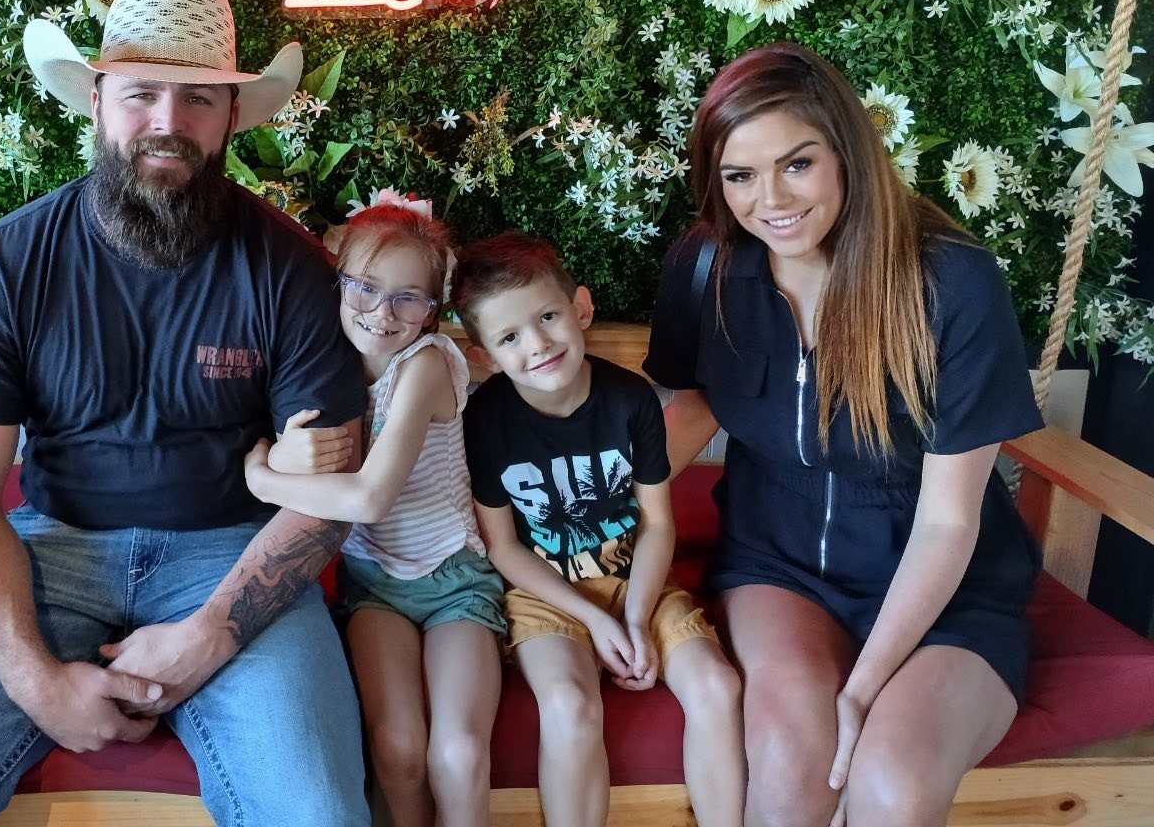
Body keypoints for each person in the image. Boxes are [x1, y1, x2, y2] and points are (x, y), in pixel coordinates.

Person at [0, 0, 371, 827]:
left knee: (318, 816)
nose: (167, 121)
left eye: (198, 99)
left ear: (231, 117)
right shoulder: (5, 263)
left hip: (232, 551)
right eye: (141, 92)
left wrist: (212, 634)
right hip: (47, 549)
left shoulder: (291, 269)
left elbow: (329, 497)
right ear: (97, 100)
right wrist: (35, 681)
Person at [644, 41, 1044, 827]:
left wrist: (861, 692)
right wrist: (579, 518)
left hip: (944, 583)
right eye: (739, 175)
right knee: (792, 765)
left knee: (892, 783)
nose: (770, 200)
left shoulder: (951, 279)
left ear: (846, 153)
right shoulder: (707, 265)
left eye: (797, 164)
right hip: (777, 563)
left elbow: (948, 521)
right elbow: (692, 408)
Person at [454, 231, 745, 827]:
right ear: (483, 356)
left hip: (639, 580)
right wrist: (594, 619)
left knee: (718, 686)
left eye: (548, 317)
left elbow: (657, 522)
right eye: (509, 337)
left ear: (580, 307)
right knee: (568, 704)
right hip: (545, 596)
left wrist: (635, 618)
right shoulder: (485, 420)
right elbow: (503, 546)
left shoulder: (629, 400)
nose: (538, 344)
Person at [242, 193, 505, 827]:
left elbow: (370, 496)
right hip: (374, 584)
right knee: (396, 746)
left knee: (458, 752)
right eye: (364, 287)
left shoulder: (426, 365)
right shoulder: (325, 361)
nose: (382, 313)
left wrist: (261, 477)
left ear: (433, 309)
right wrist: (280, 453)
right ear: (338, 281)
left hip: (454, 580)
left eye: (408, 298)